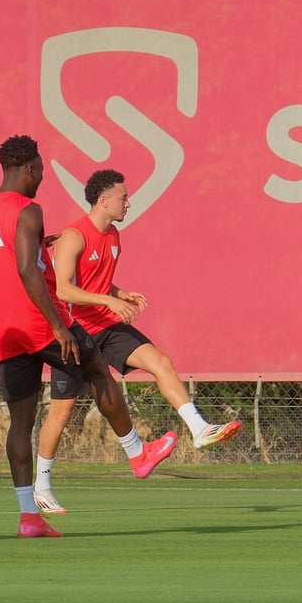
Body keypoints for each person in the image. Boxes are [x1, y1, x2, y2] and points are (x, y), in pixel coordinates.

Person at [0, 135, 176, 537]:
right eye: (40, 169)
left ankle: (29, 518)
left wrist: (33, 246)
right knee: (97, 370)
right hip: (40, 323)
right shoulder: (28, 209)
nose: (41, 176)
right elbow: (27, 268)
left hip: (3, 332)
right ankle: (137, 453)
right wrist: (59, 326)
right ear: (29, 169)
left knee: (21, 423)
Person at [32, 169, 242, 513]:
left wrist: (119, 293)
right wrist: (108, 299)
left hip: (107, 326)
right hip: (75, 331)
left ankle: (199, 429)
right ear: (103, 201)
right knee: (62, 412)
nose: (128, 203)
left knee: (161, 362)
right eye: (123, 198)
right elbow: (64, 289)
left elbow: (97, 281)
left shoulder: (113, 235)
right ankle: (42, 487)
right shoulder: (73, 235)